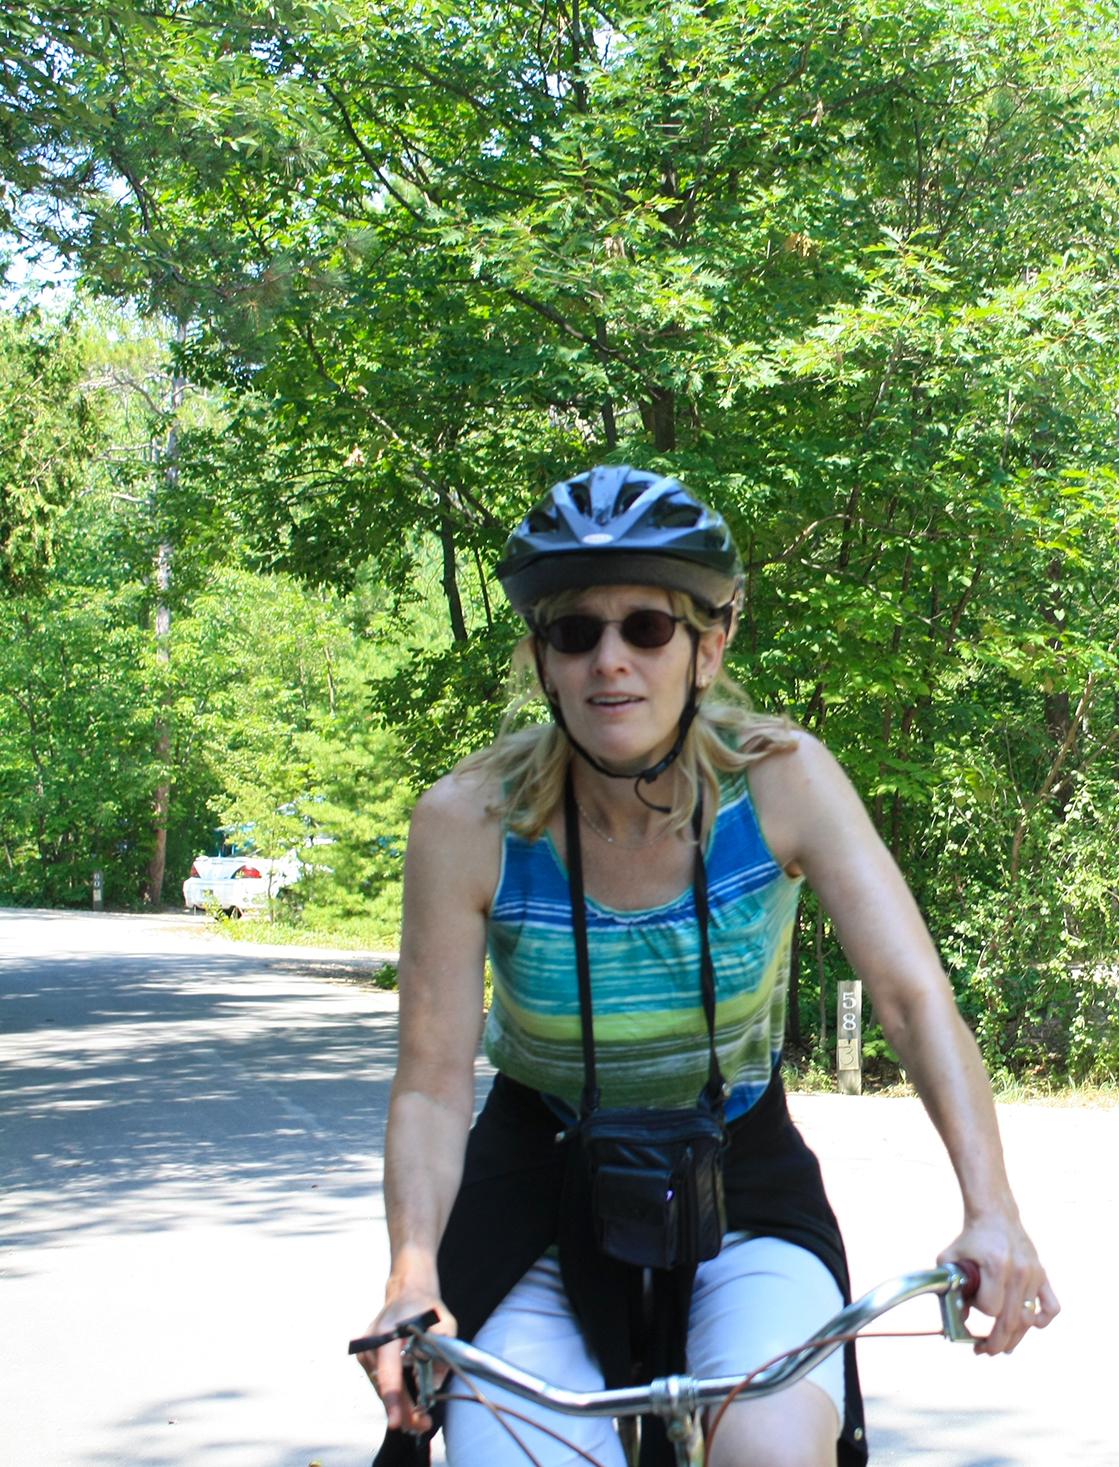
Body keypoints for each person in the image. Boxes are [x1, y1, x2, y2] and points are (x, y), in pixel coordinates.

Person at [356, 466, 1057, 1467]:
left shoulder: (781, 782)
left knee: (771, 1450)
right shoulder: (467, 820)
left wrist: (993, 1213)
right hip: (540, 1184)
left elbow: (912, 1001)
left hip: (738, 1175)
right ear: (543, 659)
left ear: (708, 644)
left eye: (646, 628)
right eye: (575, 632)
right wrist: (411, 1270)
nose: (610, 662)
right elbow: (429, 1085)